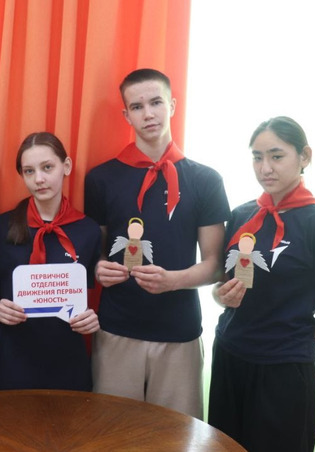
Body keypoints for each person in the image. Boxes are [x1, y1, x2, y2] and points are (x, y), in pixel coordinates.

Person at [83, 68, 230, 419]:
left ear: (173, 105)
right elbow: (95, 253)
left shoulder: (206, 180)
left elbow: (215, 264)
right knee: (111, 435)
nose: (148, 114)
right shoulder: (101, 178)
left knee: (175, 436)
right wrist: (99, 268)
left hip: (180, 332)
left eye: (156, 103)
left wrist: (173, 281)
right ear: (126, 115)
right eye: (137, 107)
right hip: (116, 329)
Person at [208, 116, 315, 452]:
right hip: (231, 356)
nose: (265, 168)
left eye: (276, 156)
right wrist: (221, 296)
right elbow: (221, 285)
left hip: (284, 371)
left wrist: (291, 338)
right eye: (257, 157)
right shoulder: (241, 215)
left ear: (304, 156)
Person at [0, 132, 101, 391]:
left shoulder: (88, 230)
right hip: (13, 358)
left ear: (66, 166)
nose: (39, 179)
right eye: (29, 171)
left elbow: (89, 297)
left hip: (67, 359)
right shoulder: (1, 227)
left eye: (47, 167)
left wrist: (91, 319)